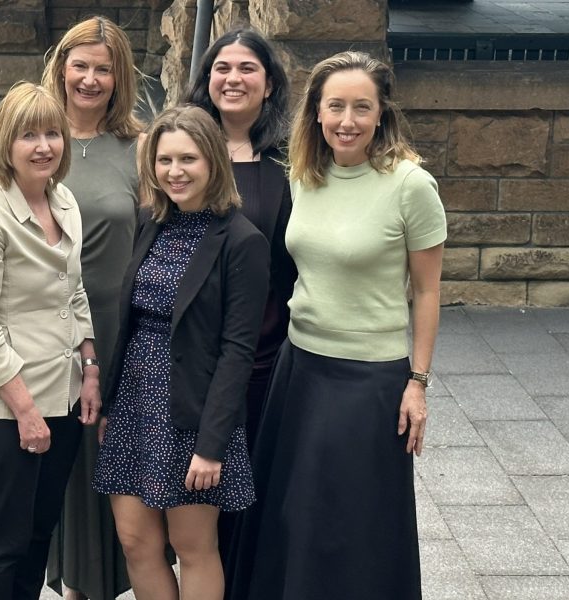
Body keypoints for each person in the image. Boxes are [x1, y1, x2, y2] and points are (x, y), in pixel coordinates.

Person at [228, 50, 447, 599]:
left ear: (381, 115)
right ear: (316, 114)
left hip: (369, 379)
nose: (347, 121)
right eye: (335, 107)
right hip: (298, 368)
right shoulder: (304, 176)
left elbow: (427, 291)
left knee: (354, 523)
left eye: (361, 107)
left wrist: (417, 384)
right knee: (293, 514)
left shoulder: (410, 186)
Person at [93, 105, 269, 600]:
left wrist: (211, 444)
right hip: (134, 406)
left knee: (192, 545)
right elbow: (129, 322)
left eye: (188, 159)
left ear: (213, 160)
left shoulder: (242, 241)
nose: (175, 171)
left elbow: (238, 352)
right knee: (135, 542)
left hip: (193, 415)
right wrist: (111, 402)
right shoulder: (151, 221)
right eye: (164, 160)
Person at [0, 82, 100, 600]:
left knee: (37, 538)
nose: (43, 146)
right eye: (28, 135)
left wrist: (91, 367)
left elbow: (72, 290)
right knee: (1, 543)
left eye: (53, 133)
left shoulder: (64, 201)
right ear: (4, 144)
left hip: (61, 396)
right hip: (0, 409)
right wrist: (25, 411)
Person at [184, 27, 296, 573]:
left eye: (248, 69)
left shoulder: (290, 162)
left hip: (264, 358)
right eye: (222, 68)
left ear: (270, 84)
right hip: (188, 357)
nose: (233, 79)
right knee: (193, 503)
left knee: (254, 491)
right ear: (206, 79)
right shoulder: (179, 151)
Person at [40, 16, 142, 600]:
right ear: (61, 67)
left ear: (119, 77)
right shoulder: (36, 136)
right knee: (61, 472)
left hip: (114, 332)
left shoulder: (138, 147)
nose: (90, 78)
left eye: (103, 68)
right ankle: (74, 587)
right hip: (45, 334)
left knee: (110, 470)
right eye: (80, 65)